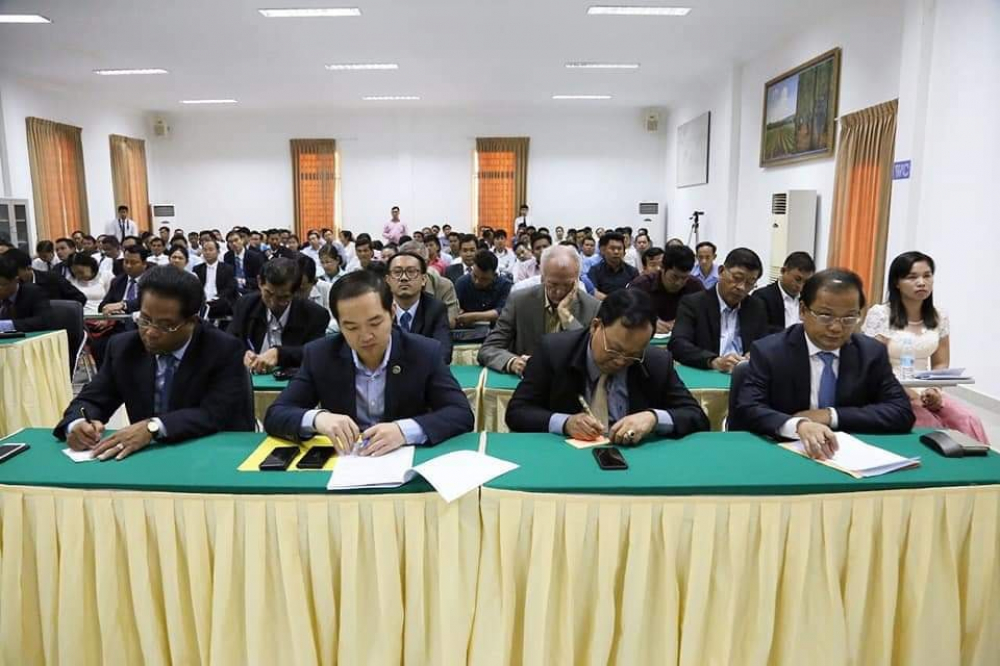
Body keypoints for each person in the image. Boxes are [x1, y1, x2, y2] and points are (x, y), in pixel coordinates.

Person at [54, 267, 254, 459]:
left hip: (210, 454)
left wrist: (153, 427)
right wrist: (78, 424)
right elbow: (92, 399)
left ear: (192, 321)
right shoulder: (124, 347)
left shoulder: (223, 349)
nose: (150, 332)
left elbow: (214, 414)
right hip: (147, 458)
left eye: (165, 325)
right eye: (145, 320)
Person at [263, 271, 474, 453]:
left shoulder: (424, 352)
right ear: (339, 325)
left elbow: (460, 413)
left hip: (405, 458)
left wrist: (404, 431)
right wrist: (318, 419)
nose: (365, 336)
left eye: (375, 323)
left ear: (392, 313)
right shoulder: (320, 355)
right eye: (352, 327)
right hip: (346, 461)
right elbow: (276, 414)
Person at [732, 269, 915, 459]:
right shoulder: (770, 351)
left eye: (849, 318)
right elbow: (749, 409)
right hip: (783, 454)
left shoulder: (870, 353)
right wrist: (799, 425)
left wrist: (830, 416)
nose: (836, 328)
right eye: (826, 316)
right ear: (803, 311)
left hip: (847, 456)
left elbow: (901, 411)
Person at [505, 288, 710, 442]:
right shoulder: (554, 351)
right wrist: (565, 423)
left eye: (633, 355)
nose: (621, 361)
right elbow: (517, 412)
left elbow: (697, 416)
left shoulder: (656, 361)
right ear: (595, 326)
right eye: (614, 349)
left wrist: (653, 418)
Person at [862, 251, 989, 443]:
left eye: (927, 276)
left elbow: (940, 363)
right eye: (912, 277)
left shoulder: (939, 316)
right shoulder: (880, 314)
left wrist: (934, 389)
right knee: (929, 424)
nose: (921, 282)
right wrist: (909, 394)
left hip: (925, 389)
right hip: (889, 388)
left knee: (968, 419)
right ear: (897, 283)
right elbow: (873, 365)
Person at [479, 245, 601, 375]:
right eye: (553, 284)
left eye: (567, 285)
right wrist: (513, 362)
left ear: (577, 280)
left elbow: (594, 357)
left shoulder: (593, 307)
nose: (559, 292)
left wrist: (567, 318)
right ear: (542, 278)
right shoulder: (519, 301)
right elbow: (489, 348)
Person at [668, 247, 769, 372]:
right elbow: (678, 344)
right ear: (721, 271)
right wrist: (713, 361)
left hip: (744, 374)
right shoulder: (694, 303)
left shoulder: (756, 306)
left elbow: (765, 343)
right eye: (737, 278)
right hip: (709, 372)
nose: (742, 287)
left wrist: (755, 353)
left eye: (750, 283)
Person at [228, 257, 330, 373]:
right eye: (268, 293)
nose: (273, 302)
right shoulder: (246, 305)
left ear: (295, 292)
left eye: (283, 297)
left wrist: (280, 354)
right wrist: (243, 353)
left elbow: (316, 353)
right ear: (259, 282)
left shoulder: (315, 314)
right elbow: (230, 341)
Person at [385, 252, 452, 364]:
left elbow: (443, 352)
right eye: (397, 272)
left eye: (411, 272)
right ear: (388, 280)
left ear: (424, 279)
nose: (404, 278)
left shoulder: (435, 308)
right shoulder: (379, 308)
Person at [627, 244, 704, 334]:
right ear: (662, 267)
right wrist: (646, 323)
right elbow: (624, 315)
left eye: (684, 278)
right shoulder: (641, 286)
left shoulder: (695, 286)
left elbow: (705, 315)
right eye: (674, 277)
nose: (679, 283)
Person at [398, 240, 459, 328]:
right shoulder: (390, 285)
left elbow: (450, 322)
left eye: (413, 265)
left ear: (427, 263)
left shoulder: (444, 286)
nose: (408, 272)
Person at [751, 251, 816, 333]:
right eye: (797, 279)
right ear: (783, 271)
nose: (801, 286)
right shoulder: (762, 297)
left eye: (806, 282)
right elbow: (761, 329)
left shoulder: (808, 300)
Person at [7, 248, 86, 306]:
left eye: (15, 273)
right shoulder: (11, 286)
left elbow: (80, 298)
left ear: (28, 268)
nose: (14, 277)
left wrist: (61, 311)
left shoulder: (52, 278)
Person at [454, 250, 511, 328]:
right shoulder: (462, 283)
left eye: (484, 279)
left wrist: (472, 317)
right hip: (466, 331)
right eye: (475, 276)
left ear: (494, 274)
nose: (477, 282)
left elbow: (503, 312)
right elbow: (454, 311)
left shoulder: (505, 285)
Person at [0, 252, 52, 332]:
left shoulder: (33, 293)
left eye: (1, 285)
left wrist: (7, 325)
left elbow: (44, 321)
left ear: (16, 280)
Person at [193, 239, 238, 319]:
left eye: (211, 250)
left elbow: (230, 287)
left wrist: (218, 297)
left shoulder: (227, 268)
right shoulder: (197, 269)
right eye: (205, 250)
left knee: (224, 303)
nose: (207, 252)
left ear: (218, 252)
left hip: (219, 300)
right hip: (202, 301)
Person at [588, 231, 639, 300]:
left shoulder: (632, 271)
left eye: (619, 249)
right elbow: (593, 293)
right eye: (612, 248)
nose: (616, 252)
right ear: (603, 250)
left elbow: (636, 294)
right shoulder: (595, 270)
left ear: (624, 252)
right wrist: (613, 302)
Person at [296, 255, 338, 335]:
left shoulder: (328, 289)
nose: (296, 294)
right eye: (295, 289)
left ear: (313, 282)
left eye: (301, 290)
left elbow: (337, 321)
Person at [223, 229, 264, 295]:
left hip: (251, 289)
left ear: (242, 240)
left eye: (236, 240)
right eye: (230, 242)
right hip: (233, 290)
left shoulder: (255, 256)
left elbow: (259, 279)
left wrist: (242, 281)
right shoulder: (227, 256)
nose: (234, 244)